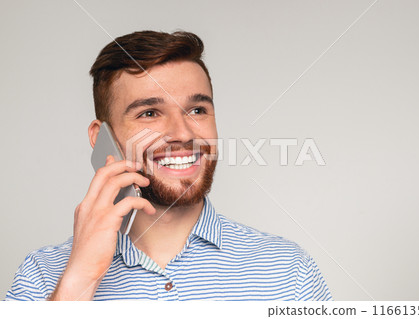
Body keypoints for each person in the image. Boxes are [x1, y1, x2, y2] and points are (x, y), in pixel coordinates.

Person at [5, 30, 332, 301]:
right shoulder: (43, 275)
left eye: (197, 110)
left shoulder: (290, 271)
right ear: (102, 137)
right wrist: (81, 279)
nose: (183, 133)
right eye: (149, 113)